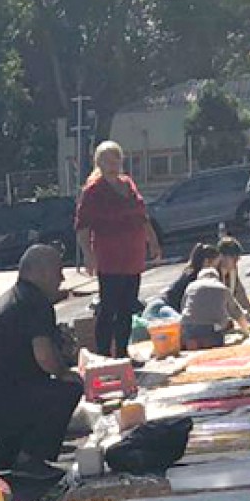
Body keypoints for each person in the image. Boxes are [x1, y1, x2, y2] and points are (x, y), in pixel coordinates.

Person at [0, 243, 85, 484]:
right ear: (40, 272)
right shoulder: (35, 302)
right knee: (69, 388)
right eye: (58, 272)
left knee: (5, 455)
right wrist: (65, 372)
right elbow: (45, 357)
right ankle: (31, 460)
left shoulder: (13, 297)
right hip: (2, 403)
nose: (62, 279)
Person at [74, 140, 160, 358]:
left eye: (116, 159)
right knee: (108, 308)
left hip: (133, 257)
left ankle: (122, 353)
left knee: (127, 308)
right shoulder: (93, 191)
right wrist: (88, 255)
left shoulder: (128, 184)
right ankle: (103, 355)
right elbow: (83, 226)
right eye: (107, 160)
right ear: (99, 163)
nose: (113, 164)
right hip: (109, 258)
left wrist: (153, 242)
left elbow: (142, 217)